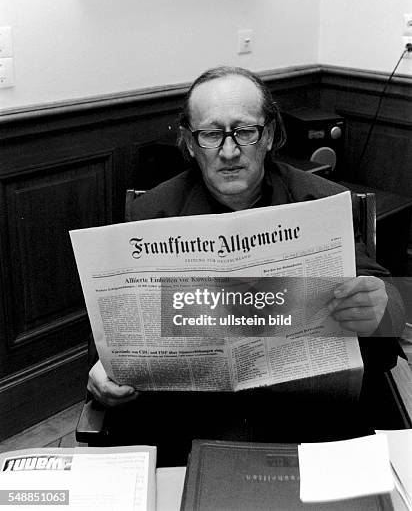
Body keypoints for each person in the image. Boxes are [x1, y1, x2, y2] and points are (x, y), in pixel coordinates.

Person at [87, 66, 405, 464]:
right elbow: (108, 335)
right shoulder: (152, 214)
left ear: (268, 135)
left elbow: (388, 305)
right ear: (189, 142)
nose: (229, 151)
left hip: (307, 427)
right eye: (211, 133)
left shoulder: (321, 203)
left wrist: (379, 307)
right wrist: (101, 373)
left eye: (245, 131)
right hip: (192, 430)